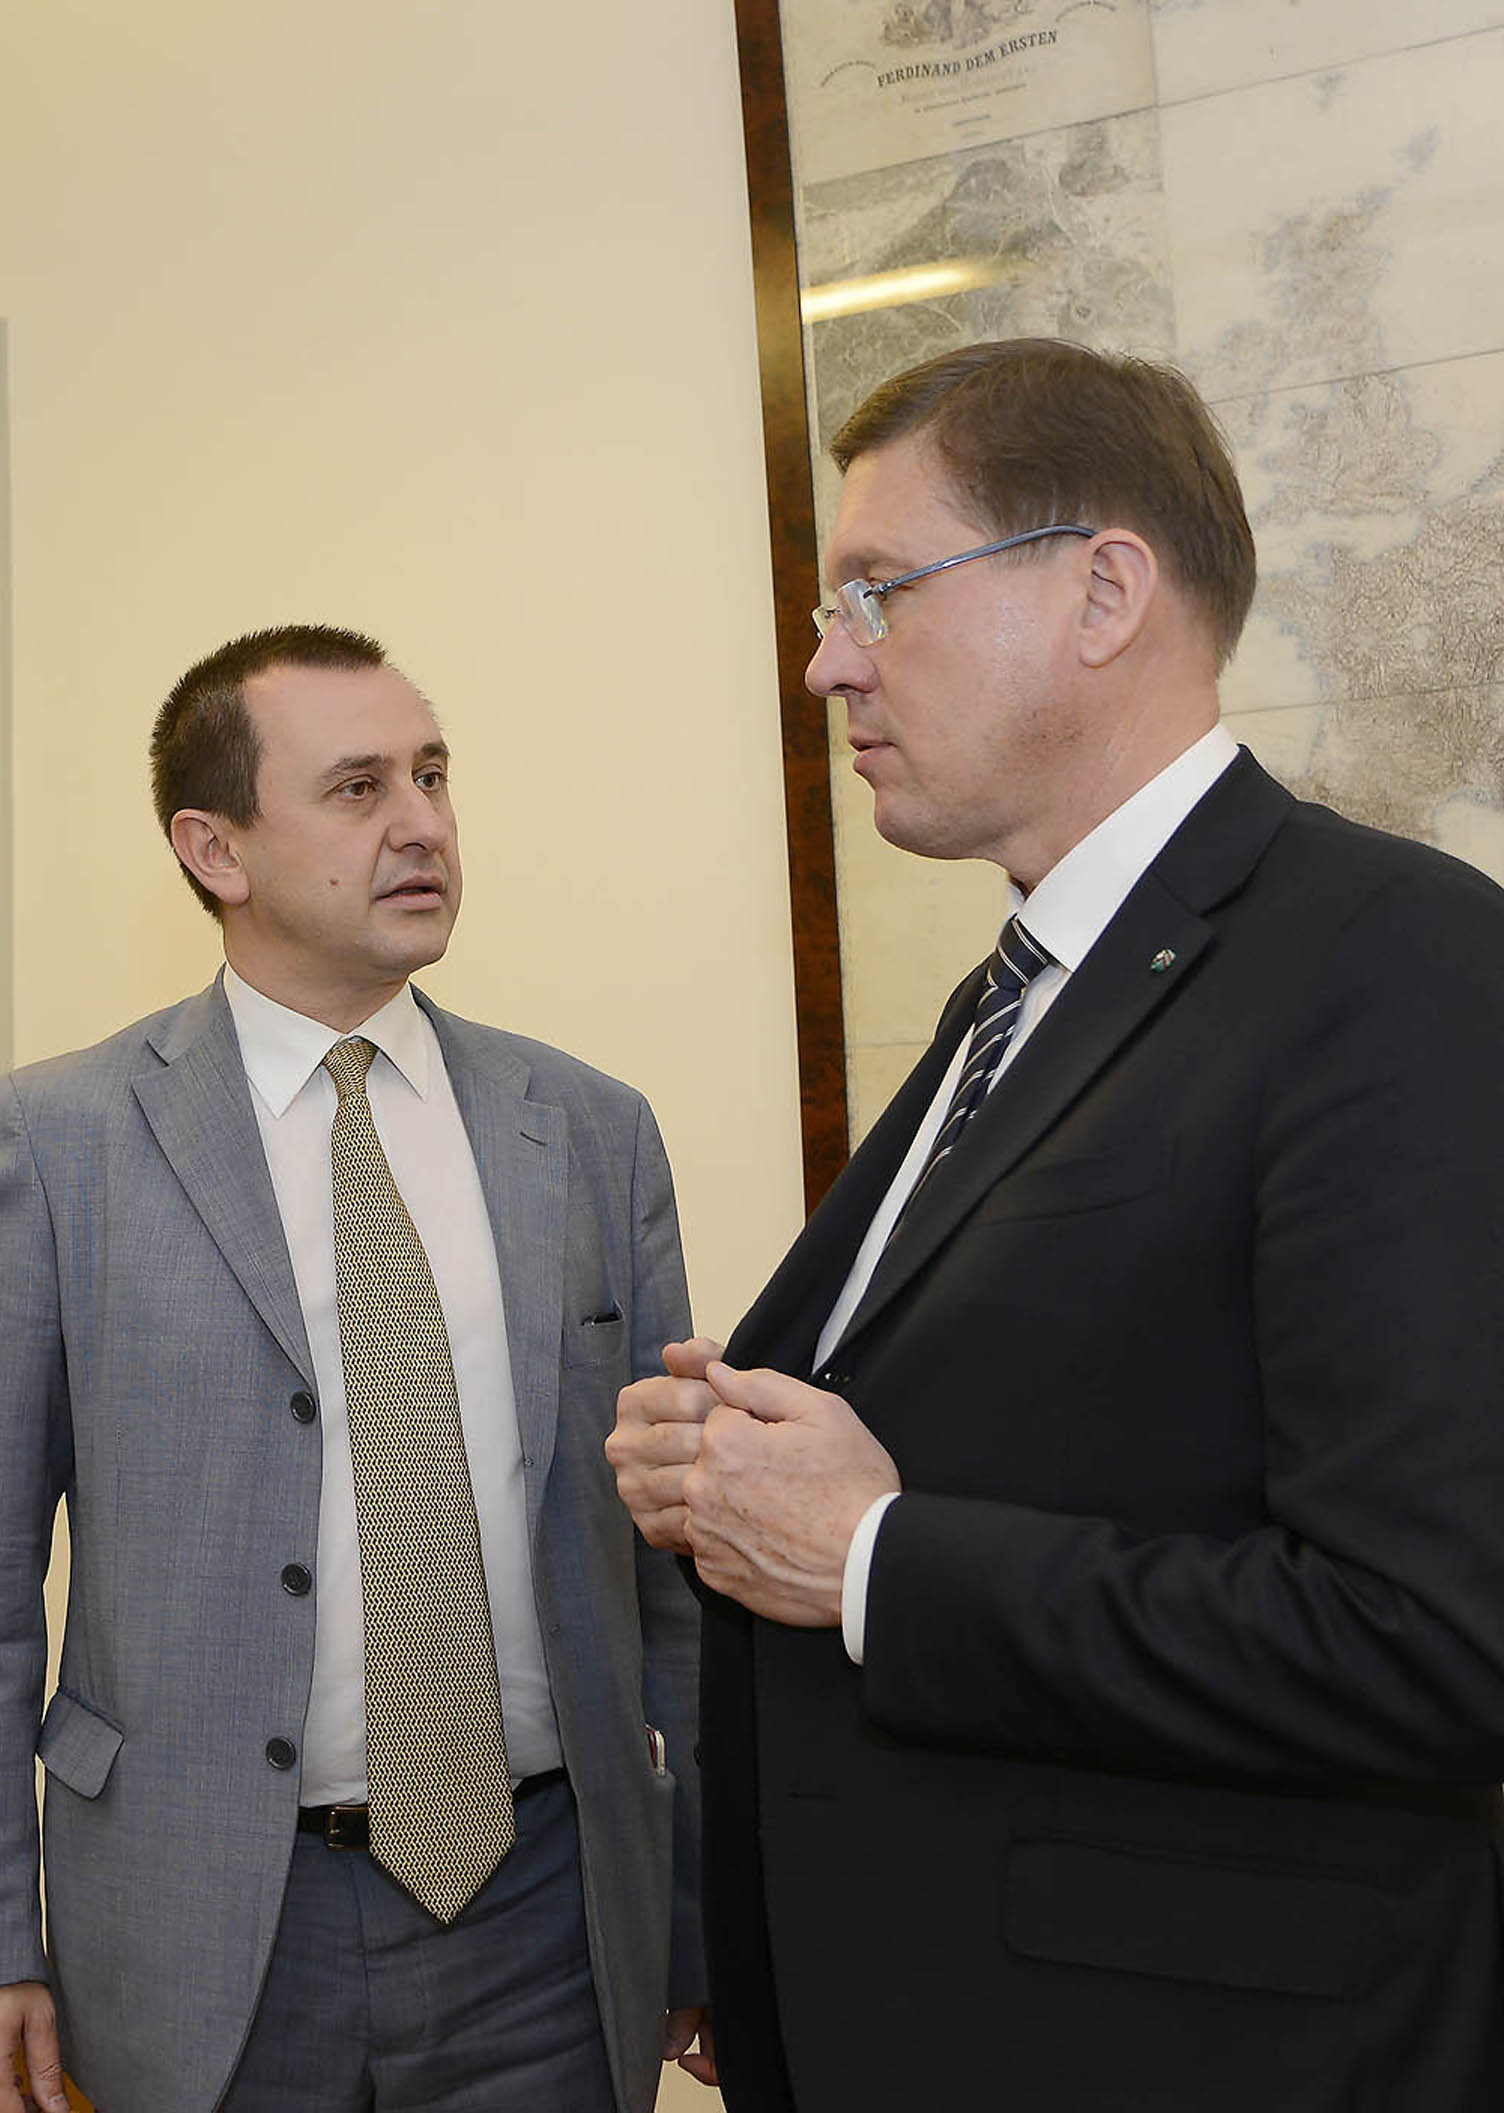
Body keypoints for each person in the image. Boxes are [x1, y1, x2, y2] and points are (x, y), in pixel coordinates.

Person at [606, 338, 1504, 2112]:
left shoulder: (1392, 963)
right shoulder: (1024, 991)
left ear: (1104, 590)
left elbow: (1436, 1636)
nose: (823, 659)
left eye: (878, 589)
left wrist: (870, 1554)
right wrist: (737, 1465)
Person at [0, 626, 705, 2113]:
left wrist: (703, 1910)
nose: (421, 824)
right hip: (208, 1922)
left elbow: (671, 1564)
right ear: (216, 849)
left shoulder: (588, 1131)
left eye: (434, 775)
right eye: (356, 788)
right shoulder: (68, 1138)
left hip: (544, 1911)